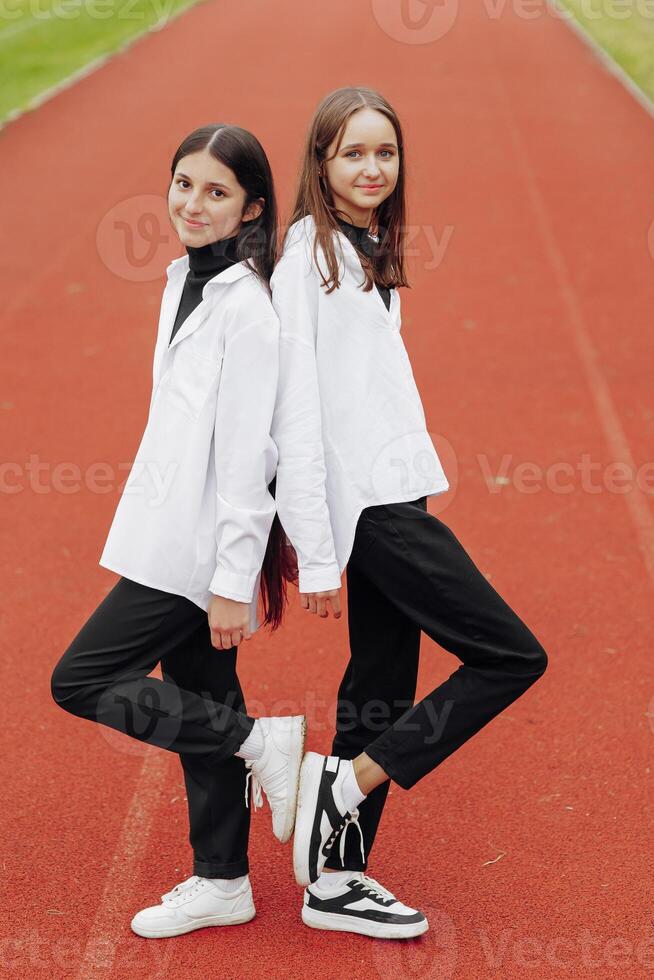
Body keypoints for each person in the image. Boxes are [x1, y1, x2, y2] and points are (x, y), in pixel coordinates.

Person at [270, 87, 549, 940]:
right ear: (320, 162)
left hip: (395, 490)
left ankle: (337, 878)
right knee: (511, 655)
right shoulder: (307, 260)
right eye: (353, 153)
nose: (371, 168)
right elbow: (295, 416)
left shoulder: (363, 249)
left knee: (382, 680)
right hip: (373, 509)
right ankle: (346, 783)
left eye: (384, 153)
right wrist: (317, 552)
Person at [50, 124, 306, 939]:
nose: (192, 204)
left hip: (193, 555)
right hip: (166, 532)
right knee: (200, 696)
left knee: (81, 680)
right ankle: (224, 879)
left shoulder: (250, 315)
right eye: (183, 184)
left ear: (252, 208)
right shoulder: (184, 280)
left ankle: (263, 741)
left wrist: (231, 582)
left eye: (216, 192)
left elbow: (246, 459)